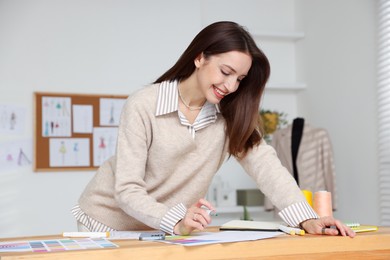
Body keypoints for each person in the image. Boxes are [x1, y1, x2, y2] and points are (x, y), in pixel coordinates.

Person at [72, 21, 355, 237]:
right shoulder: (145, 104)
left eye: (240, 79)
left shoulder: (230, 115)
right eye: (226, 72)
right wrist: (177, 220)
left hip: (166, 230)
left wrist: (308, 219)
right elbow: (127, 190)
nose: (231, 86)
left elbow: (268, 168)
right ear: (199, 57)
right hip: (107, 223)